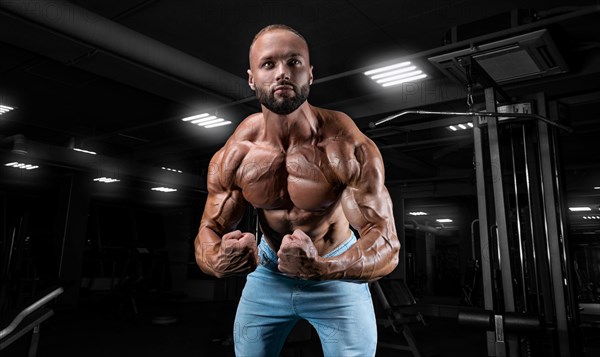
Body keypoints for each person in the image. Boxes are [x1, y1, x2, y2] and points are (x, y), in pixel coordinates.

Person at [194, 24, 400, 357]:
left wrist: (322, 268)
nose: (282, 74)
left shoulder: (344, 145)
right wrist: (217, 260)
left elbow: (387, 245)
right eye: (269, 64)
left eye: (294, 63)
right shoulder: (238, 152)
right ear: (251, 78)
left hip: (336, 274)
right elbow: (209, 231)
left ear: (311, 74)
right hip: (267, 274)